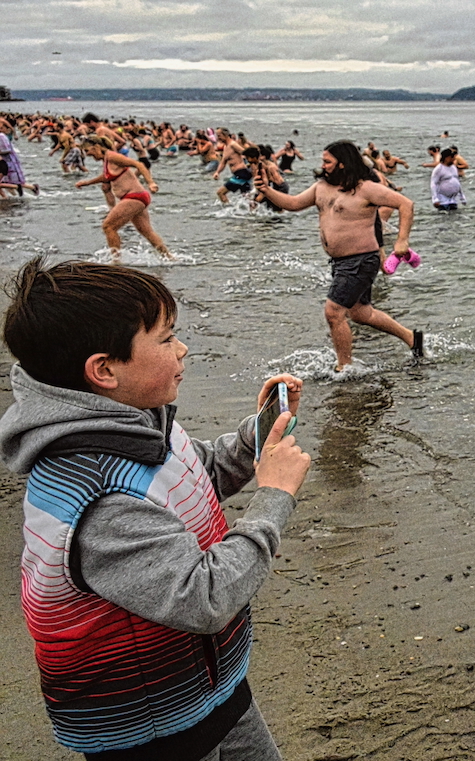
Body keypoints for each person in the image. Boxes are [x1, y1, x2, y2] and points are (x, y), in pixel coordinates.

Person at [0, 257, 311, 760]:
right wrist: (273, 496)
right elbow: (203, 597)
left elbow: (193, 475)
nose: (182, 348)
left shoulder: (133, 422)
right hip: (148, 724)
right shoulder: (98, 497)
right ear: (103, 370)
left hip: (208, 687)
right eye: (166, 339)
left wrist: (257, 438)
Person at [256, 140, 424, 372]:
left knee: (333, 312)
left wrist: (402, 240)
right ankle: (413, 339)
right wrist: (266, 190)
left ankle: (344, 367)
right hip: (340, 262)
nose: (323, 166)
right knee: (361, 313)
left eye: (328, 162)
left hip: (362, 260)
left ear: (343, 164)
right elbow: (293, 204)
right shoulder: (321, 187)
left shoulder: (365, 188)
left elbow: (405, 204)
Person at [76, 135, 172, 262]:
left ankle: (116, 261)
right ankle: (169, 258)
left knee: (108, 226)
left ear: (97, 147)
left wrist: (151, 183)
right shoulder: (107, 160)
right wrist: (87, 182)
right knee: (147, 232)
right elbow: (106, 177)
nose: (89, 155)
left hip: (134, 196)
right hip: (137, 198)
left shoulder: (112, 156)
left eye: (89, 151)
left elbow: (139, 164)